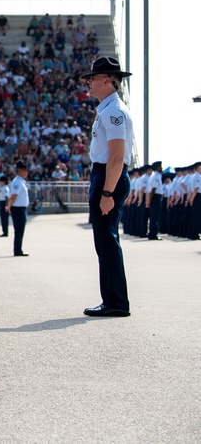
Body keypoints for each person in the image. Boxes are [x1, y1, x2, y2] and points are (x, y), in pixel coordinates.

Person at [81, 57, 133, 317]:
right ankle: (113, 299)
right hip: (104, 176)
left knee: (107, 242)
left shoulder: (113, 111)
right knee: (105, 242)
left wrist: (107, 193)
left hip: (108, 177)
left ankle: (116, 302)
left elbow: (116, 156)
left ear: (107, 80)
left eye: (92, 78)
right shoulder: (107, 109)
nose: (88, 82)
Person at [6, 163, 30, 257]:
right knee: (19, 230)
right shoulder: (17, 182)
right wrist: (9, 206)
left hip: (20, 208)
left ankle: (18, 249)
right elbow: (13, 195)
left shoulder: (21, 181)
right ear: (20, 170)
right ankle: (17, 250)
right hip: (18, 209)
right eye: (25, 170)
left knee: (20, 230)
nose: (26, 172)